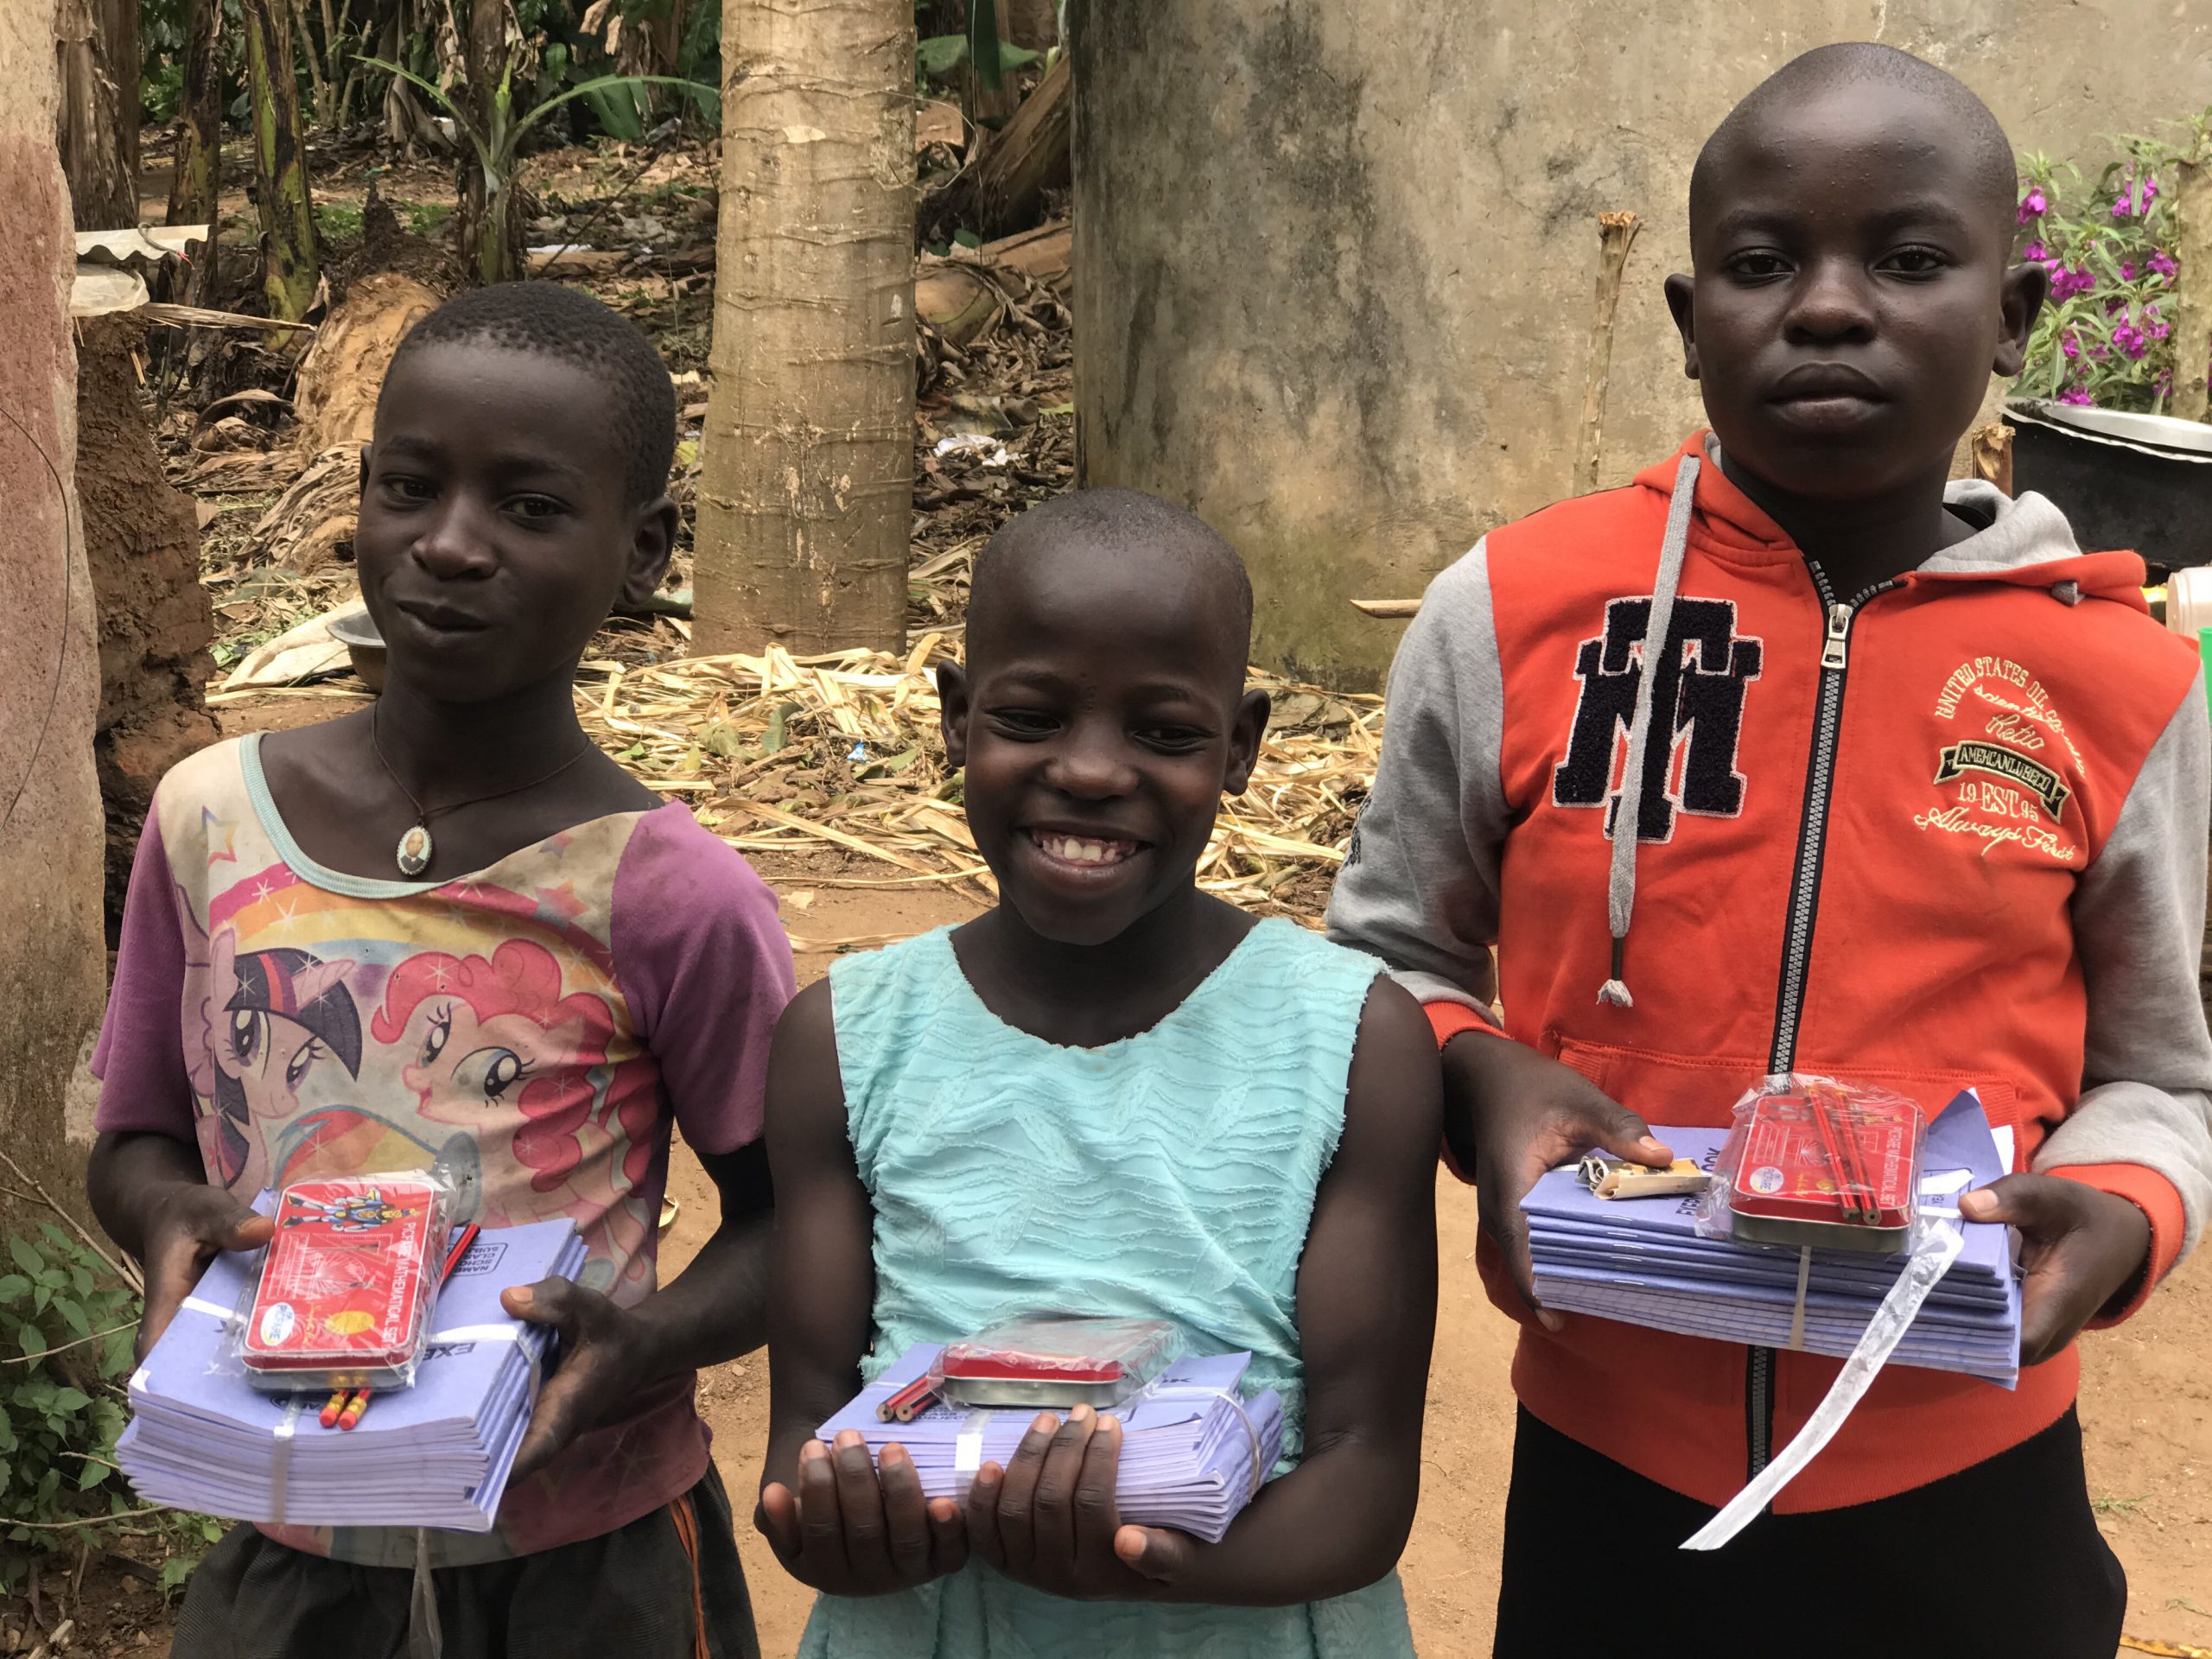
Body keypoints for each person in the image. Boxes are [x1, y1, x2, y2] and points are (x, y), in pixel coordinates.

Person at [1327, 42, 2212, 1659]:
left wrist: (2122, 1205)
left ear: (2016, 316)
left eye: (1910, 259)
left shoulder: (2119, 682)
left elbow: (2160, 1073)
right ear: (1690, 321)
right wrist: (1483, 1077)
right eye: (1761, 263)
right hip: (1610, 1461)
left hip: (1967, 1472)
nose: (1827, 308)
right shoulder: (1510, 613)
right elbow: (1389, 956)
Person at [88, 282, 796, 1659]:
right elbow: (138, 1139)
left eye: (529, 508)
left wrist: (644, 1343)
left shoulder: (668, 892)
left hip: (585, 1562)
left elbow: (795, 1218)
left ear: (643, 549)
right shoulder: (209, 822)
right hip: (289, 1543)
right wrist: (169, 1214)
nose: (451, 545)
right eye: (410, 487)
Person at [756, 489, 1443, 1657]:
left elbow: (1365, 1474)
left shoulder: (1353, 1041)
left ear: (1241, 747)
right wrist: (848, 1525)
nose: (1088, 771)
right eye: (1031, 718)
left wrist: (1143, 1562)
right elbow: (805, 1438)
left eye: (1164, 733)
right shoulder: (845, 1041)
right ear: (957, 717)